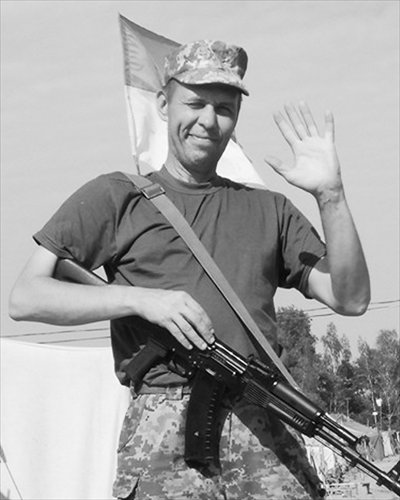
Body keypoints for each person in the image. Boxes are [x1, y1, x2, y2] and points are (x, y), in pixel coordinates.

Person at [9, 40, 370, 500]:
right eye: (195, 103)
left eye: (224, 108)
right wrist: (141, 300)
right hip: (163, 427)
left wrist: (331, 196)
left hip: (262, 420)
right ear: (164, 104)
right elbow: (26, 297)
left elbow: (351, 299)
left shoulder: (270, 210)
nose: (208, 120)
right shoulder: (117, 197)